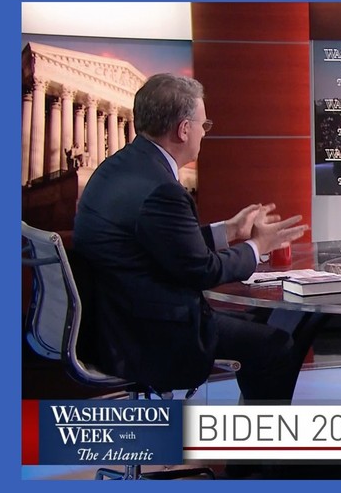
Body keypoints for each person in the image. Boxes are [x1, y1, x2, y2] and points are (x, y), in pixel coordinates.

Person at [73, 73, 310, 404]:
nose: (203, 133)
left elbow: (163, 243)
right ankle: (264, 452)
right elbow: (202, 271)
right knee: (277, 345)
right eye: (204, 125)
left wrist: (227, 231)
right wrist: (258, 246)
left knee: (258, 322)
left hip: (113, 321)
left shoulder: (120, 168)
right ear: (184, 130)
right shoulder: (161, 189)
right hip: (146, 334)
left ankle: (253, 447)